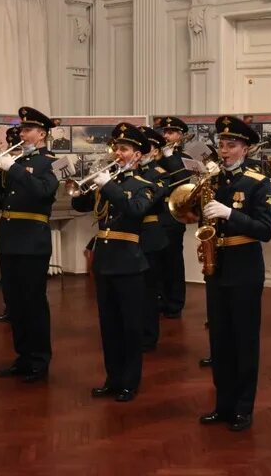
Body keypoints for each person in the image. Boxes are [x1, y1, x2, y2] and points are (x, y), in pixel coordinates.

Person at [197, 116, 271, 431]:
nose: (224, 150)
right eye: (221, 144)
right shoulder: (211, 180)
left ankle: (244, 407)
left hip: (244, 266)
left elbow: (265, 230)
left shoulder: (257, 181)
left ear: (245, 148)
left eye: (231, 145)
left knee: (244, 340)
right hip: (217, 266)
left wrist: (231, 213)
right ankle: (223, 404)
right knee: (220, 340)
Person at [72, 124, 156, 402]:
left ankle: (129, 382)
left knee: (130, 326)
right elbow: (80, 206)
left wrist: (108, 186)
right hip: (105, 260)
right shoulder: (109, 180)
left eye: (125, 149)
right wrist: (86, 183)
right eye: (117, 148)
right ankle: (112, 378)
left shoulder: (145, 185)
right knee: (108, 325)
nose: (118, 153)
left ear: (138, 154)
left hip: (129, 261)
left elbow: (134, 210)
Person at [0, 106, 60, 382]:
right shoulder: (15, 159)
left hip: (32, 239)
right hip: (10, 238)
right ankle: (22, 356)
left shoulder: (51, 161)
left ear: (41, 134)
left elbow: (43, 191)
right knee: (15, 303)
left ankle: (39, 359)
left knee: (33, 302)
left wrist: (14, 169)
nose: (22, 134)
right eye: (21, 130)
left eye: (27, 130)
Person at [155, 116, 192, 319]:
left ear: (180, 136)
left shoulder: (183, 157)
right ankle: (159, 298)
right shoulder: (156, 155)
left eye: (171, 132)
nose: (166, 136)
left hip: (173, 214)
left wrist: (170, 157)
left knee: (173, 261)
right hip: (156, 213)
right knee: (156, 260)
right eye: (165, 132)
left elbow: (183, 181)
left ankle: (175, 302)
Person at [136, 126, 169, 351]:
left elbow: (147, 202)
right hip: (127, 239)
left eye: (146, 147)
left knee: (148, 291)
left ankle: (148, 336)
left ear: (154, 150)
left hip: (149, 237)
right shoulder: (128, 172)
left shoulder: (158, 174)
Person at [0, 126, 23, 324]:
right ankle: (10, 308)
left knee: (24, 278)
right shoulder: (5, 165)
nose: (13, 148)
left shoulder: (28, 165)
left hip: (26, 228)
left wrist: (14, 167)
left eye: (16, 145)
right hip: (8, 225)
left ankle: (22, 311)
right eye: (11, 145)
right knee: (8, 275)